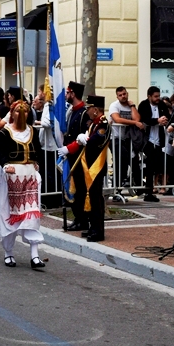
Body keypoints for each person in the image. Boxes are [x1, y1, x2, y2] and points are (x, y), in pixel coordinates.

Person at [0, 100, 46, 269]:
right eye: (18, 111)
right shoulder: (4, 133)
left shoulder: (32, 132)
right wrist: (5, 164)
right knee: (10, 215)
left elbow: (38, 149)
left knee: (31, 214)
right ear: (11, 113)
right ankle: (8, 252)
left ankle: (35, 255)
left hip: (29, 177)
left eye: (26, 111)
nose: (22, 114)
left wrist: (36, 162)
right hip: (10, 178)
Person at [58, 95, 110, 242]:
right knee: (92, 198)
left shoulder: (103, 124)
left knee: (96, 199)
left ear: (95, 110)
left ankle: (98, 231)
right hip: (89, 167)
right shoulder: (93, 123)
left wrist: (86, 140)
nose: (87, 111)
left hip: (96, 167)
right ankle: (93, 227)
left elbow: (98, 140)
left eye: (89, 108)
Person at [62, 81, 89, 230]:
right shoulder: (72, 111)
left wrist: (69, 148)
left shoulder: (84, 112)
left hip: (79, 157)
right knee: (73, 188)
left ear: (73, 93)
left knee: (80, 189)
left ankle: (82, 219)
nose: (66, 95)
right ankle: (78, 217)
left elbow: (84, 136)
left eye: (67, 93)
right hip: (71, 156)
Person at [108, 86, 143, 195]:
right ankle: (117, 188)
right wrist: (134, 123)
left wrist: (132, 106)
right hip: (115, 138)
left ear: (127, 94)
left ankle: (138, 187)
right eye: (120, 95)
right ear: (117, 96)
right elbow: (117, 119)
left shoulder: (130, 106)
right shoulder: (114, 105)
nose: (123, 96)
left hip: (127, 139)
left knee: (134, 161)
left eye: (124, 94)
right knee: (121, 161)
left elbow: (137, 119)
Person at [138, 86, 169, 202]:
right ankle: (148, 192)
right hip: (148, 140)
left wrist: (165, 121)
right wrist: (157, 121)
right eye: (155, 96)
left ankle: (150, 191)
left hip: (159, 140)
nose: (158, 98)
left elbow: (168, 116)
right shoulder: (144, 105)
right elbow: (144, 119)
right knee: (149, 167)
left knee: (156, 167)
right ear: (149, 96)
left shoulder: (161, 105)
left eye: (158, 96)